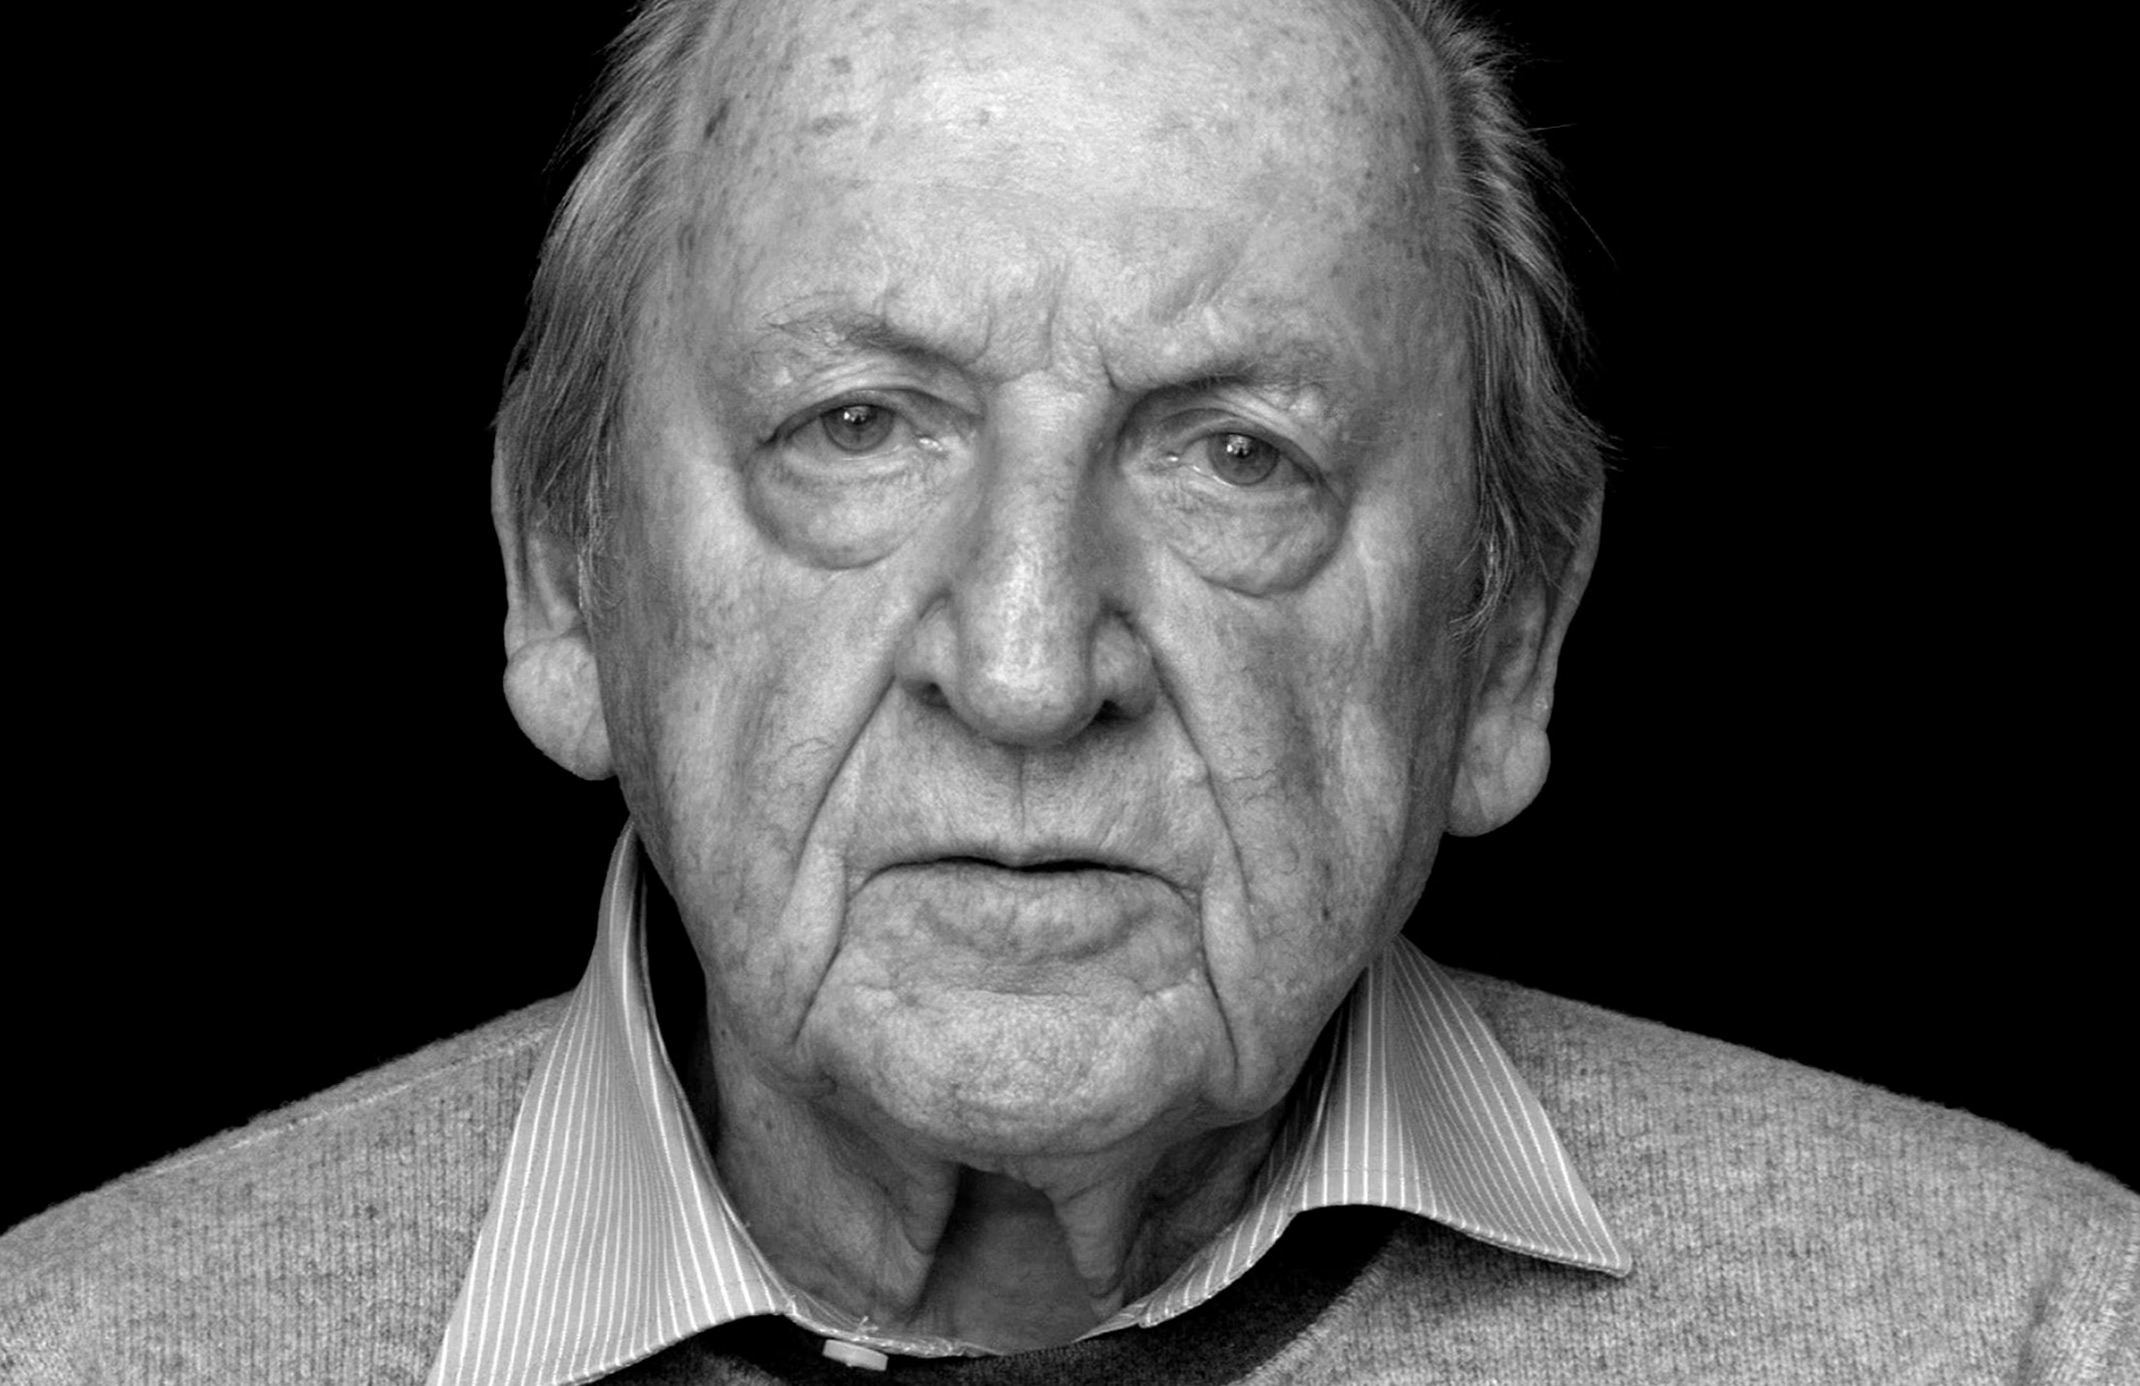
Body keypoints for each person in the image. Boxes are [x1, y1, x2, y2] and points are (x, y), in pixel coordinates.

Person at [5, 0, 2133, 1381]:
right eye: (856, 427)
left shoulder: (2031, 1333)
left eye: (1237, 456)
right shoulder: (76, 1350)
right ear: (566, 574)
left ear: (1502, 638)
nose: (1026, 670)